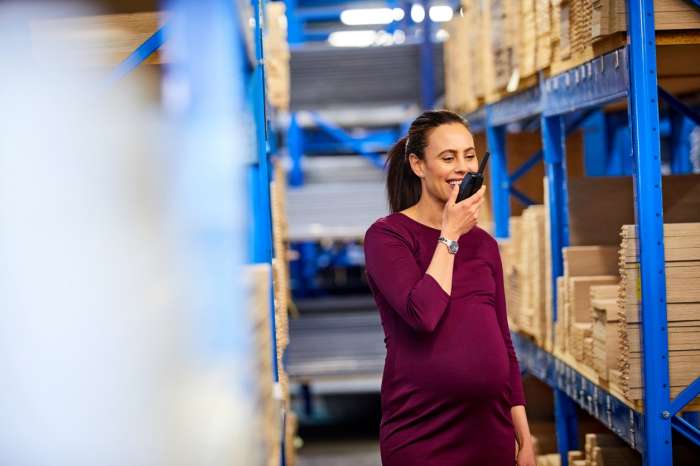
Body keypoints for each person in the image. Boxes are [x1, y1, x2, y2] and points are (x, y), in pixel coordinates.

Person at [364, 110, 536, 466]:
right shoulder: (388, 236)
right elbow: (422, 314)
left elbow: (504, 344)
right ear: (418, 165)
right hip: (422, 434)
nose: (462, 167)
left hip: (490, 433)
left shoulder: (485, 245)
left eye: (469, 155)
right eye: (448, 157)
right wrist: (450, 234)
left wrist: (524, 437)